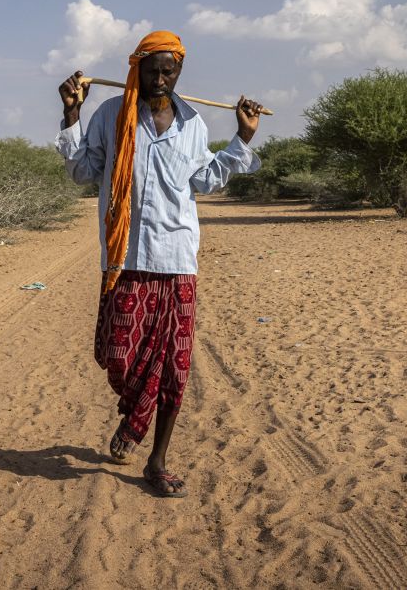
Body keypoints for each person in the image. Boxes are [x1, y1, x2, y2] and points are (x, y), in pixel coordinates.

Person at [55, 30, 263, 497]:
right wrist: (72, 113)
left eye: (170, 71)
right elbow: (83, 171)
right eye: (154, 70)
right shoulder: (112, 115)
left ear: (180, 71)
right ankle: (136, 414)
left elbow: (205, 182)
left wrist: (241, 139)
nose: (162, 79)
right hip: (126, 255)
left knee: (174, 365)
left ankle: (156, 459)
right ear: (137, 69)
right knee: (119, 357)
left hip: (177, 259)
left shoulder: (194, 126)